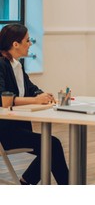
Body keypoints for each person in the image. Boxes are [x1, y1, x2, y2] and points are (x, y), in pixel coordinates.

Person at [0, 24, 69, 185]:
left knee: (51, 147)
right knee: (52, 145)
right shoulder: (1, 64)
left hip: (17, 128)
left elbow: (31, 89)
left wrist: (42, 95)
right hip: (6, 132)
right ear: (15, 44)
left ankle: (27, 182)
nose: (30, 43)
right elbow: (2, 98)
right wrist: (35, 100)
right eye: (27, 40)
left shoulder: (16, 65)